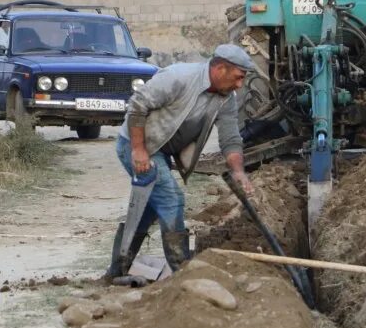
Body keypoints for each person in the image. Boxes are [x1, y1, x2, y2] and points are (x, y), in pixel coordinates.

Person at [106, 44, 256, 281]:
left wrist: (238, 171)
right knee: (171, 199)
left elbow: (230, 139)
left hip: (160, 151)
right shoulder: (179, 77)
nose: (239, 84)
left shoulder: (226, 98)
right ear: (220, 68)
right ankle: (183, 275)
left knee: (147, 209)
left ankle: (116, 271)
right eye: (238, 77)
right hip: (137, 145)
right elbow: (137, 105)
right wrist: (138, 150)